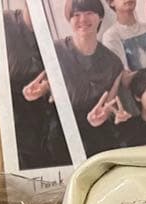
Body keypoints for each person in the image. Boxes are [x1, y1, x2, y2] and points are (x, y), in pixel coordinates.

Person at [53, 0, 125, 156]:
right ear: (69, 19)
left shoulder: (114, 63)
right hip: (57, 132)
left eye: (89, 13)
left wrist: (106, 116)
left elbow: (108, 107)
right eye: (76, 15)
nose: (83, 19)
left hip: (97, 135)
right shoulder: (53, 51)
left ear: (100, 17)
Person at [4, 8, 71, 169]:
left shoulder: (62, 38)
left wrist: (49, 86)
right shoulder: (5, 22)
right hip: (18, 121)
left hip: (49, 122)